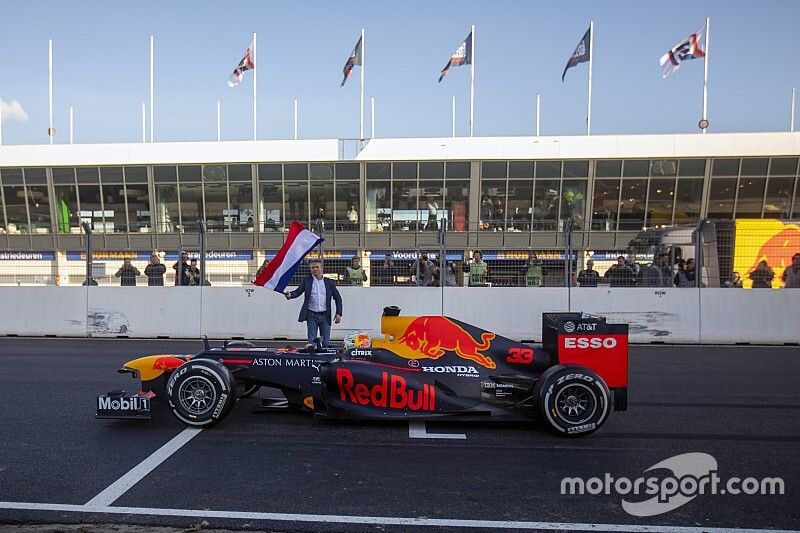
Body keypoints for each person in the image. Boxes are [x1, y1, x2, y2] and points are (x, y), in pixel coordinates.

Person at [284, 259, 342, 348]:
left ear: (322, 268)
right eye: (312, 267)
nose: (315, 269)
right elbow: (298, 292)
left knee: (325, 342)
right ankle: (313, 360)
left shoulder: (329, 282)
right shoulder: (307, 280)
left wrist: (338, 313)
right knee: (312, 342)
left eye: (317, 267)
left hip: (325, 315)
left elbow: (338, 298)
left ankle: (325, 360)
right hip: (311, 314)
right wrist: (290, 295)